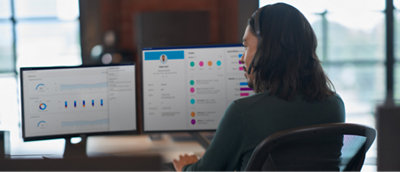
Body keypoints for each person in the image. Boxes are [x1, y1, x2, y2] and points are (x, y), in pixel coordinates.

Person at [173, 2, 345, 171]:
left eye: (246, 46)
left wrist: (185, 168)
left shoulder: (244, 113)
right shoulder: (335, 105)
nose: (241, 58)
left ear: (268, 51)